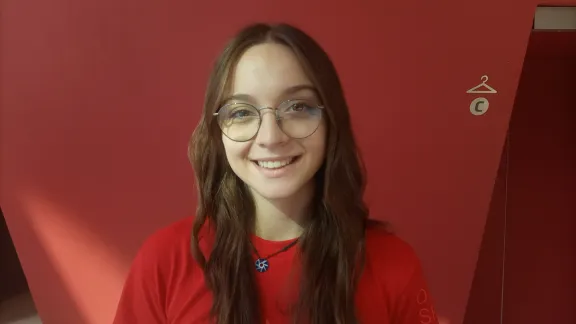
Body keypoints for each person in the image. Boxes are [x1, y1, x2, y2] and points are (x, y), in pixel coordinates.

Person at [113, 23, 441, 324]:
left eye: (297, 107)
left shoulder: (393, 264)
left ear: (330, 122)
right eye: (242, 112)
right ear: (219, 133)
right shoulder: (165, 261)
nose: (271, 137)